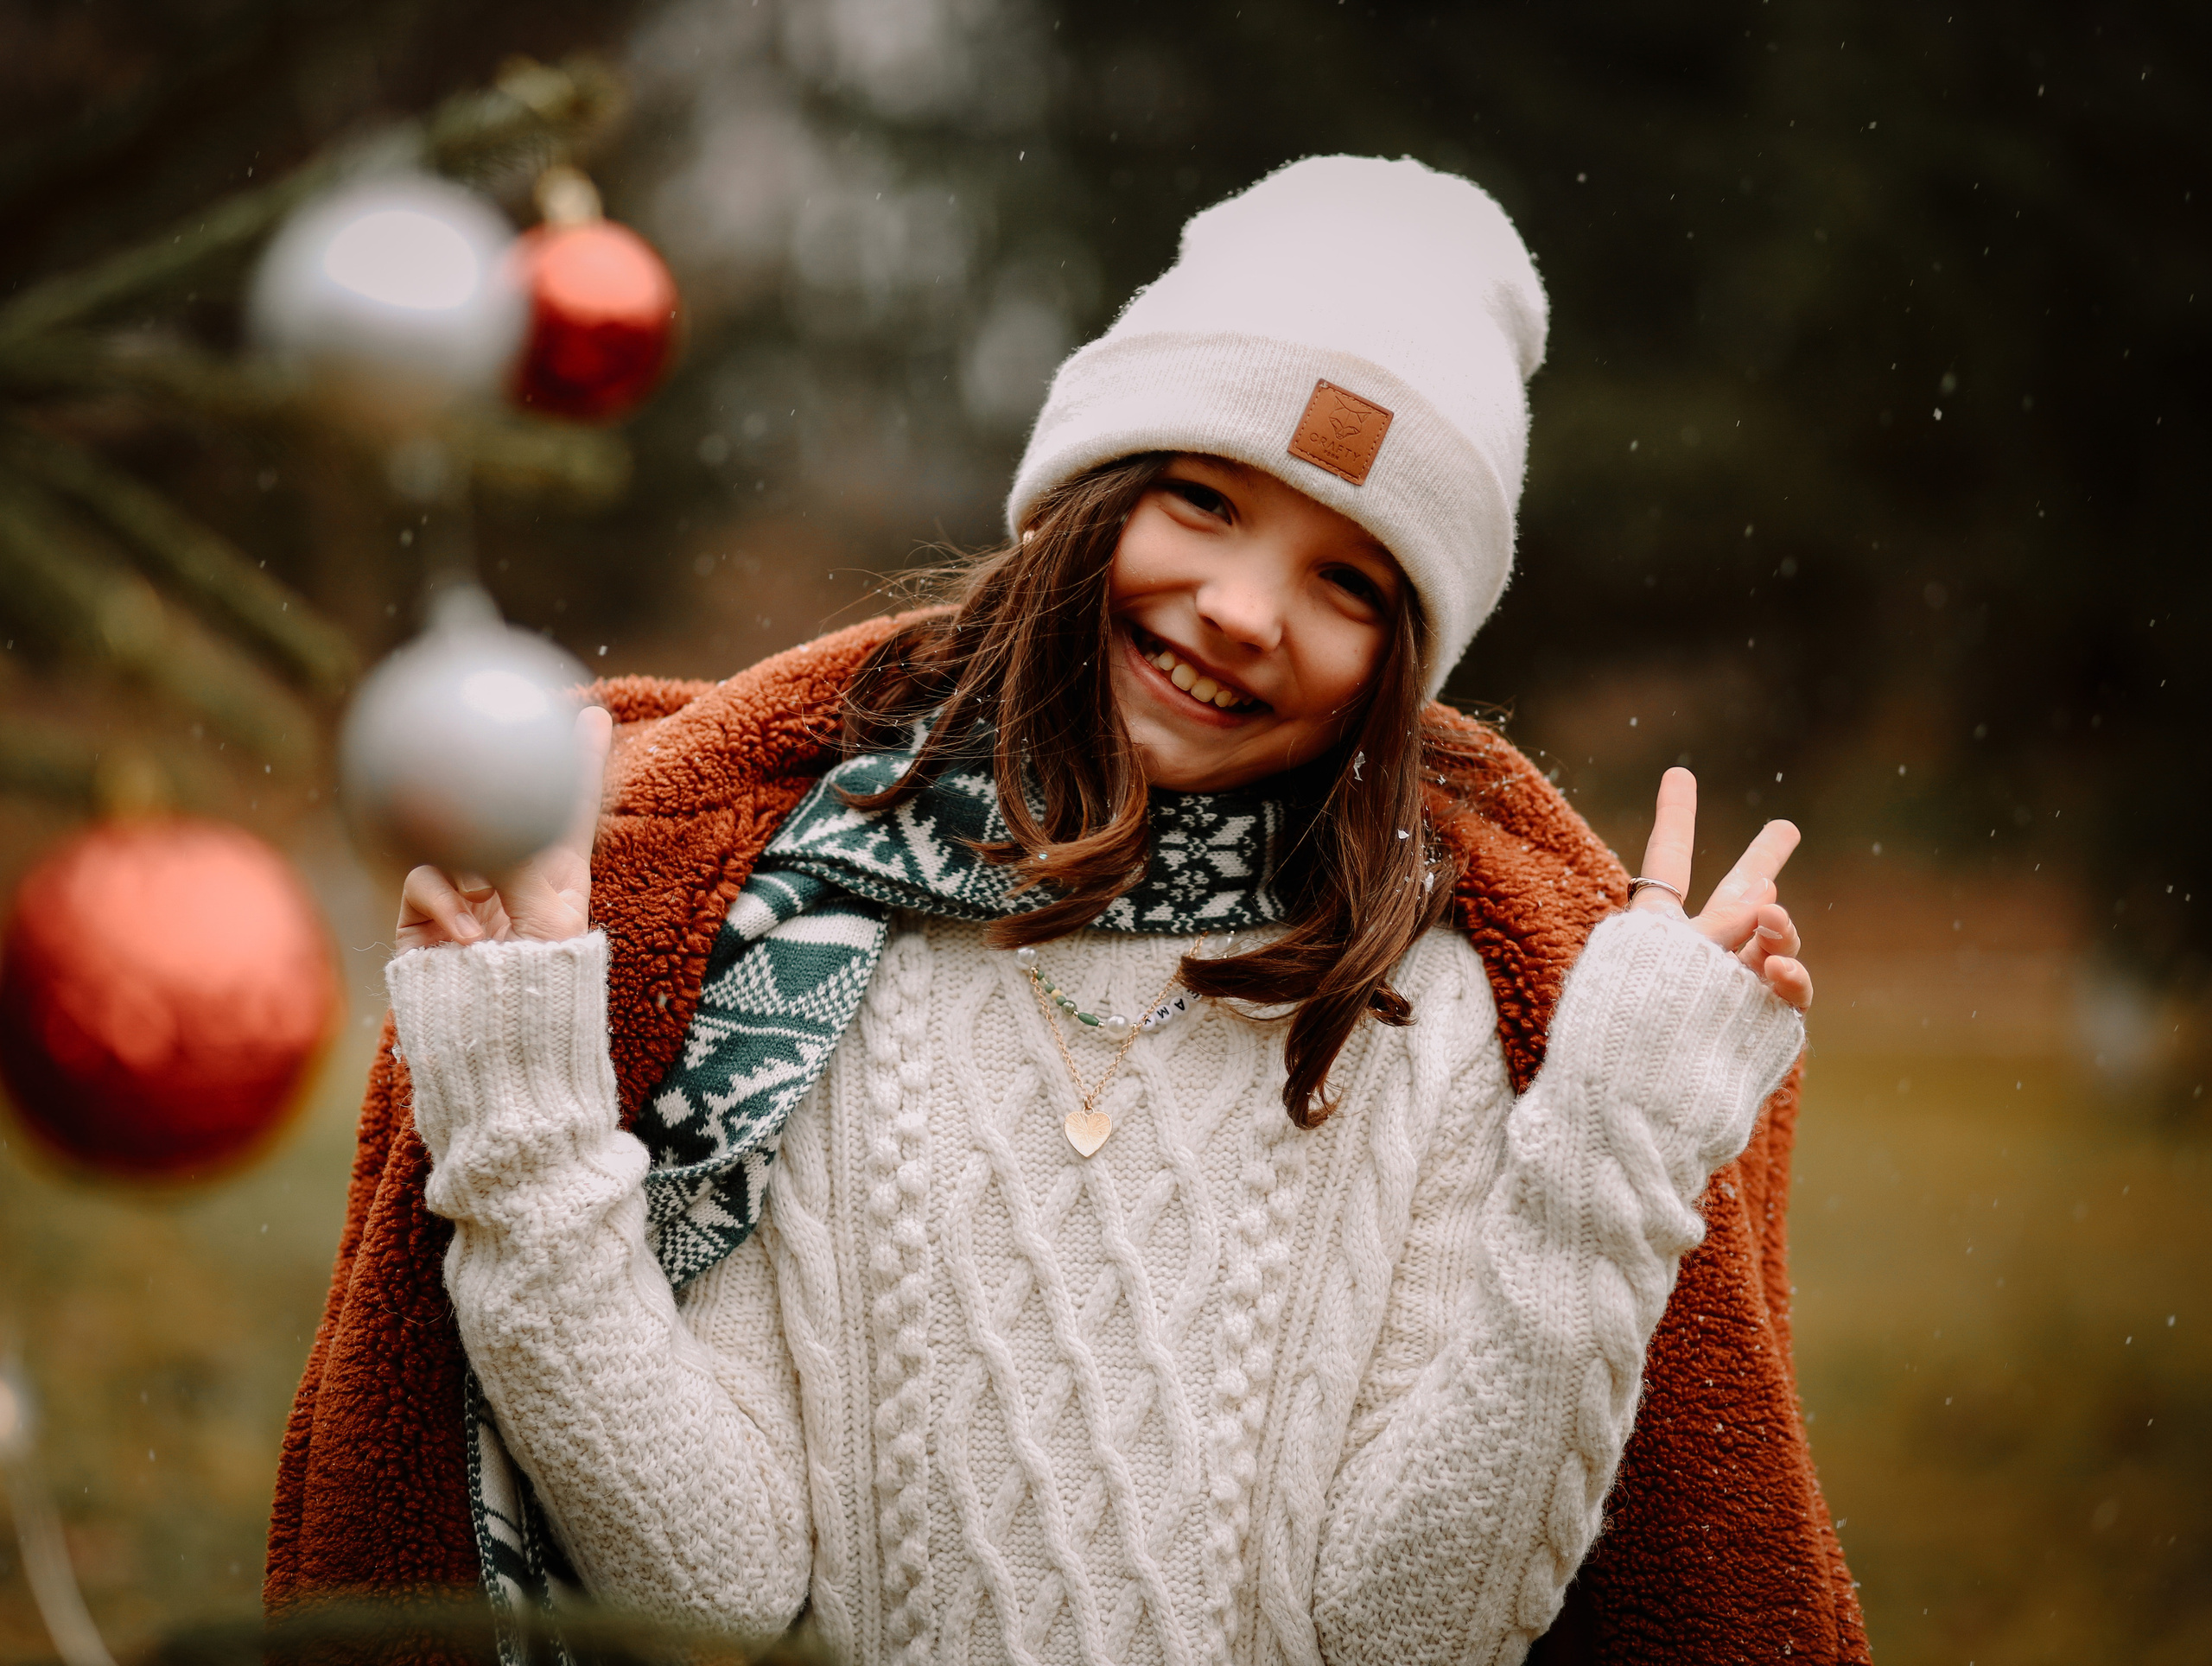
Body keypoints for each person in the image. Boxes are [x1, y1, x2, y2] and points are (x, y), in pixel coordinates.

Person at [268, 157, 1868, 1664]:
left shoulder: (1422, 1014)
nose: (1242, 614)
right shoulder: (809, 948)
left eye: (1350, 583)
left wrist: (1609, 1165)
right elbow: (717, 1585)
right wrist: (525, 1099)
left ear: (1402, 665)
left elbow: (1411, 1630)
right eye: (1205, 502)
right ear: (1085, 503)